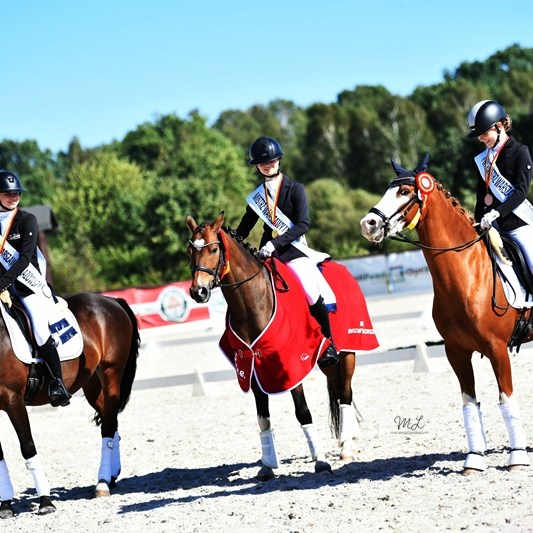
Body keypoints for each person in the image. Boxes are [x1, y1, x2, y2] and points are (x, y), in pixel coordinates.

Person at [235, 136, 339, 368]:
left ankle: (328, 342)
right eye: (262, 163)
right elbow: (245, 226)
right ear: (257, 166)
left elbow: (303, 224)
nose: (267, 165)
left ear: (279, 160)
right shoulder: (257, 197)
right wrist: (228, 240)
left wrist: (275, 244)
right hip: (265, 254)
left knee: (310, 291)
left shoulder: (295, 189)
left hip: (292, 250)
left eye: (271, 161)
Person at [0, 170, 71, 407]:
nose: (14, 197)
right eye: (8, 193)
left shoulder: (26, 219)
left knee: (40, 329)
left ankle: (58, 383)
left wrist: (3, 282)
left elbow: (24, 259)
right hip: (4, 288)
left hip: (29, 287)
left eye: (17, 193)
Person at [467, 100, 533, 274]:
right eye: (478, 135)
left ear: (498, 126)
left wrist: (497, 212)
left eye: (483, 133)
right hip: (492, 227)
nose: (481, 139)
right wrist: (478, 222)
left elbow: (520, 192)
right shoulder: (483, 160)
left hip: (517, 226)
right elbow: (481, 196)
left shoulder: (521, 152)